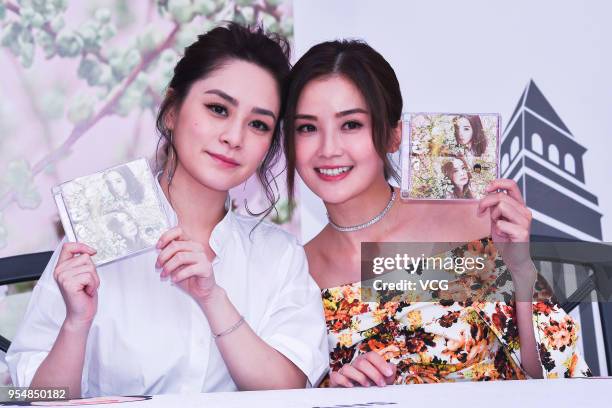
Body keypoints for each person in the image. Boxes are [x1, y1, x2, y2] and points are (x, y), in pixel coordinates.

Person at [7, 23, 328, 398]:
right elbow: (33, 399)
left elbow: (289, 394)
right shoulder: (95, 231)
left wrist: (213, 298)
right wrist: (76, 323)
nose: (234, 137)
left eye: (258, 124)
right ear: (172, 110)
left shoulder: (278, 256)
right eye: (218, 109)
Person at [282, 39, 590, 386]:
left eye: (351, 124)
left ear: (394, 135)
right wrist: (330, 394)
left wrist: (520, 271)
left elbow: (556, 375)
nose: (328, 149)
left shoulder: (467, 224)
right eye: (306, 127)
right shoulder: (290, 270)